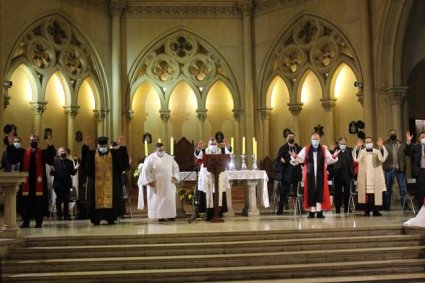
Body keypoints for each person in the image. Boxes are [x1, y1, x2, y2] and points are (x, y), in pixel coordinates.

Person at [10, 134, 56, 228]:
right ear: (29, 141)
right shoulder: (23, 152)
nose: (33, 142)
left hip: (39, 182)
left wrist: (50, 146)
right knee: (25, 202)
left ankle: (39, 222)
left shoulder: (42, 152)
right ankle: (25, 221)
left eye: (35, 140)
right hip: (26, 183)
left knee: (39, 203)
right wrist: (11, 145)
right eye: (31, 140)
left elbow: (50, 160)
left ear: (37, 141)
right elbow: (13, 159)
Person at [81, 135, 129, 225]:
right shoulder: (92, 155)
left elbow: (123, 164)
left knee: (111, 200)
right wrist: (85, 147)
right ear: (97, 146)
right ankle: (96, 218)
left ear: (107, 145)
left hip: (110, 184)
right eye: (101, 146)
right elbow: (84, 165)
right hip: (96, 184)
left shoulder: (114, 154)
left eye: (104, 146)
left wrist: (122, 146)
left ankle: (110, 217)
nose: (102, 148)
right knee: (95, 200)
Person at [290, 132, 339, 218]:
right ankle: (312, 211)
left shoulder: (323, 149)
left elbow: (329, 159)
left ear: (319, 140)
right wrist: (295, 156)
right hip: (310, 174)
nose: (315, 141)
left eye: (316, 139)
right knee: (311, 191)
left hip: (320, 174)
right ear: (311, 140)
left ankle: (319, 211)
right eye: (314, 139)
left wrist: (334, 156)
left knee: (319, 191)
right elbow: (300, 159)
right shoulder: (306, 149)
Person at [138, 143, 180, 221]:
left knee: (169, 199)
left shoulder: (169, 158)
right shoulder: (150, 158)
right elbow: (145, 171)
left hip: (169, 183)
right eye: (160, 150)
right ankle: (159, 216)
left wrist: (175, 176)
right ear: (155, 150)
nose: (162, 151)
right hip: (156, 183)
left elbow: (176, 168)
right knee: (158, 200)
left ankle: (170, 215)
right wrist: (149, 181)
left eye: (163, 149)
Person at [194, 138, 231, 220]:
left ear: (217, 145)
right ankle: (209, 213)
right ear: (208, 145)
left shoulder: (221, 151)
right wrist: (198, 148)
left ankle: (219, 213)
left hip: (219, 174)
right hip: (207, 175)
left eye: (214, 144)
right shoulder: (204, 151)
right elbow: (198, 156)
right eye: (211, 144)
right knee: (208, 193)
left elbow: (229, 153)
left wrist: (227, 146)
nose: (213, 146)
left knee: (219, 192)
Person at [353, 136, 388, 216]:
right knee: (365, 193)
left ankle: (376, 210)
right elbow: (356, 159)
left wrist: (381, 147)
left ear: (372, 143)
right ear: (364, 144)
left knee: (376, 192)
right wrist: (358, 147)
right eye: (367, 142)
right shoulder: (361, 151)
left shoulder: (377, 151)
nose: (368, 143)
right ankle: (367, 210)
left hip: (375, 175)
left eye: (370, 142)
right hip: (365, 176)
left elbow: (383, 159)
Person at [275, 131, 302, 214]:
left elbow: (302, 158)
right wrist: (281, 160)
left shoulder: (298, 148)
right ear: (286, 138)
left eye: (292, 136)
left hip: (296, 173)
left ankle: (301, 209)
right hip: (286, 174)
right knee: (283, 193)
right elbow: (278, 159)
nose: (291, 138)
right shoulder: (283, 148)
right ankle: (280, 209)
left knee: (298, 193)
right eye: (289, 137)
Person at [382, 129, 409, 211]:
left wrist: (408, 142)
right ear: (389, 135)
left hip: (400, 169)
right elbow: (381, 154)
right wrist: (380, 147)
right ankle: (387, 206)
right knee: (388, 188)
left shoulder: (401, 143)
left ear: (396, 134)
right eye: (391, 133)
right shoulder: (385, 144)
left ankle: (405, 206)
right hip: (389, 169)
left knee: (402, 188)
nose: (393, 134)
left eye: (394, 133)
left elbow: (407, 153)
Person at [50, 147, 79, 220]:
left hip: (67, 183)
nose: (64, 152)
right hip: (58, 184)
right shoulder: (55, 161)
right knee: (59, 199)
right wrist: (52, 170)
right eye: (62, 151)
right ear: (58, 153)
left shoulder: (69, 162)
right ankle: (59, 215)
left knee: (66, 200)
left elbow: (72, 173)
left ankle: (66, 215)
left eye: (65, 151)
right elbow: (52, 173)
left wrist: (76, 168)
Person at [333, 137, 354, 214]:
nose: (343, 145)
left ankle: (347, 207)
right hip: (337, 175)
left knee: (347, 192)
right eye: (342, 143)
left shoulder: (349, 151)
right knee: (337, 192)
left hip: (347, 174)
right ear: (339, 144)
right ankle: (337, 208)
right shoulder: (335, 150)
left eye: (345, 143)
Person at [406, 131, 425, 211]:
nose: (424, 138)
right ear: (419, 138)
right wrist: (409, 141)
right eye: (422, 137)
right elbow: (409, 152)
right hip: (420, 172)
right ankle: (420, 209)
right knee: (421, 191)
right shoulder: (416, 147)